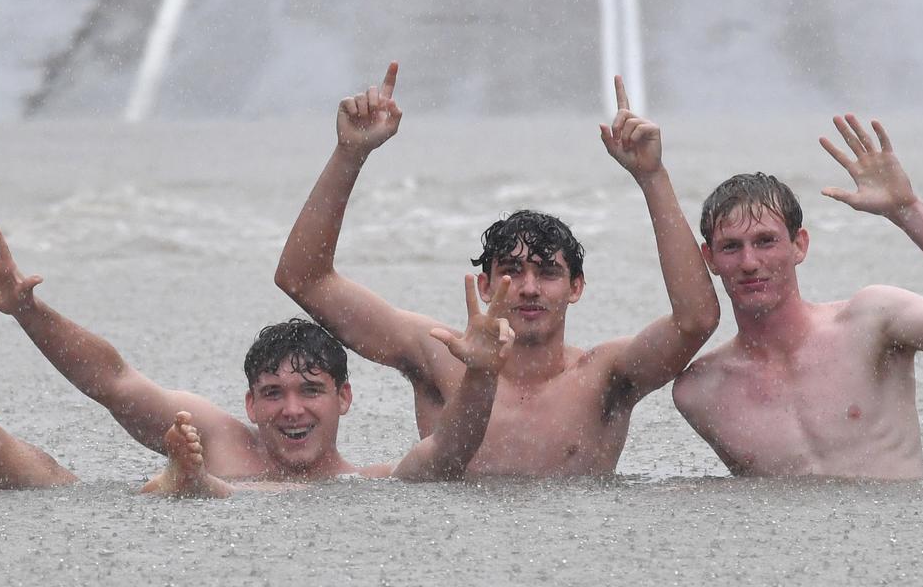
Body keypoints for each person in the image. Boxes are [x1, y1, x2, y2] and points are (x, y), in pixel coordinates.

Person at [275, 63, 720, 476]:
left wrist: (653, 177)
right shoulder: (437, 357)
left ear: (576, 287)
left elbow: (696, 320)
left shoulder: (604, 377)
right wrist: (349, 154)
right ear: (485, 285)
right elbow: (304, 279)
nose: (528, 288)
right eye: (511, 271)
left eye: (547, 273)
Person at [0, 221, 512, 491]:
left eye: (311, 389)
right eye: (274, 393)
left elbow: (452, 448)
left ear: (344, 397)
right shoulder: (213, 434)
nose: (292, 408)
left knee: (49, 483)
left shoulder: (376, 483)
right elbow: (112, 382)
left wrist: (481, 371)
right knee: (43, 483)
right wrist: (28, 311)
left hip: (207, 491)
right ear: (250, 403)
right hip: (178, 495)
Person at [671, 115, 923, 480]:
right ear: (710, 260)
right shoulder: (701, 391)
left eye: (766, 241)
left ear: (799, 245)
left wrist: (907, 211)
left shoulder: (873, 322)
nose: (749, 262)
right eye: (731, 247)